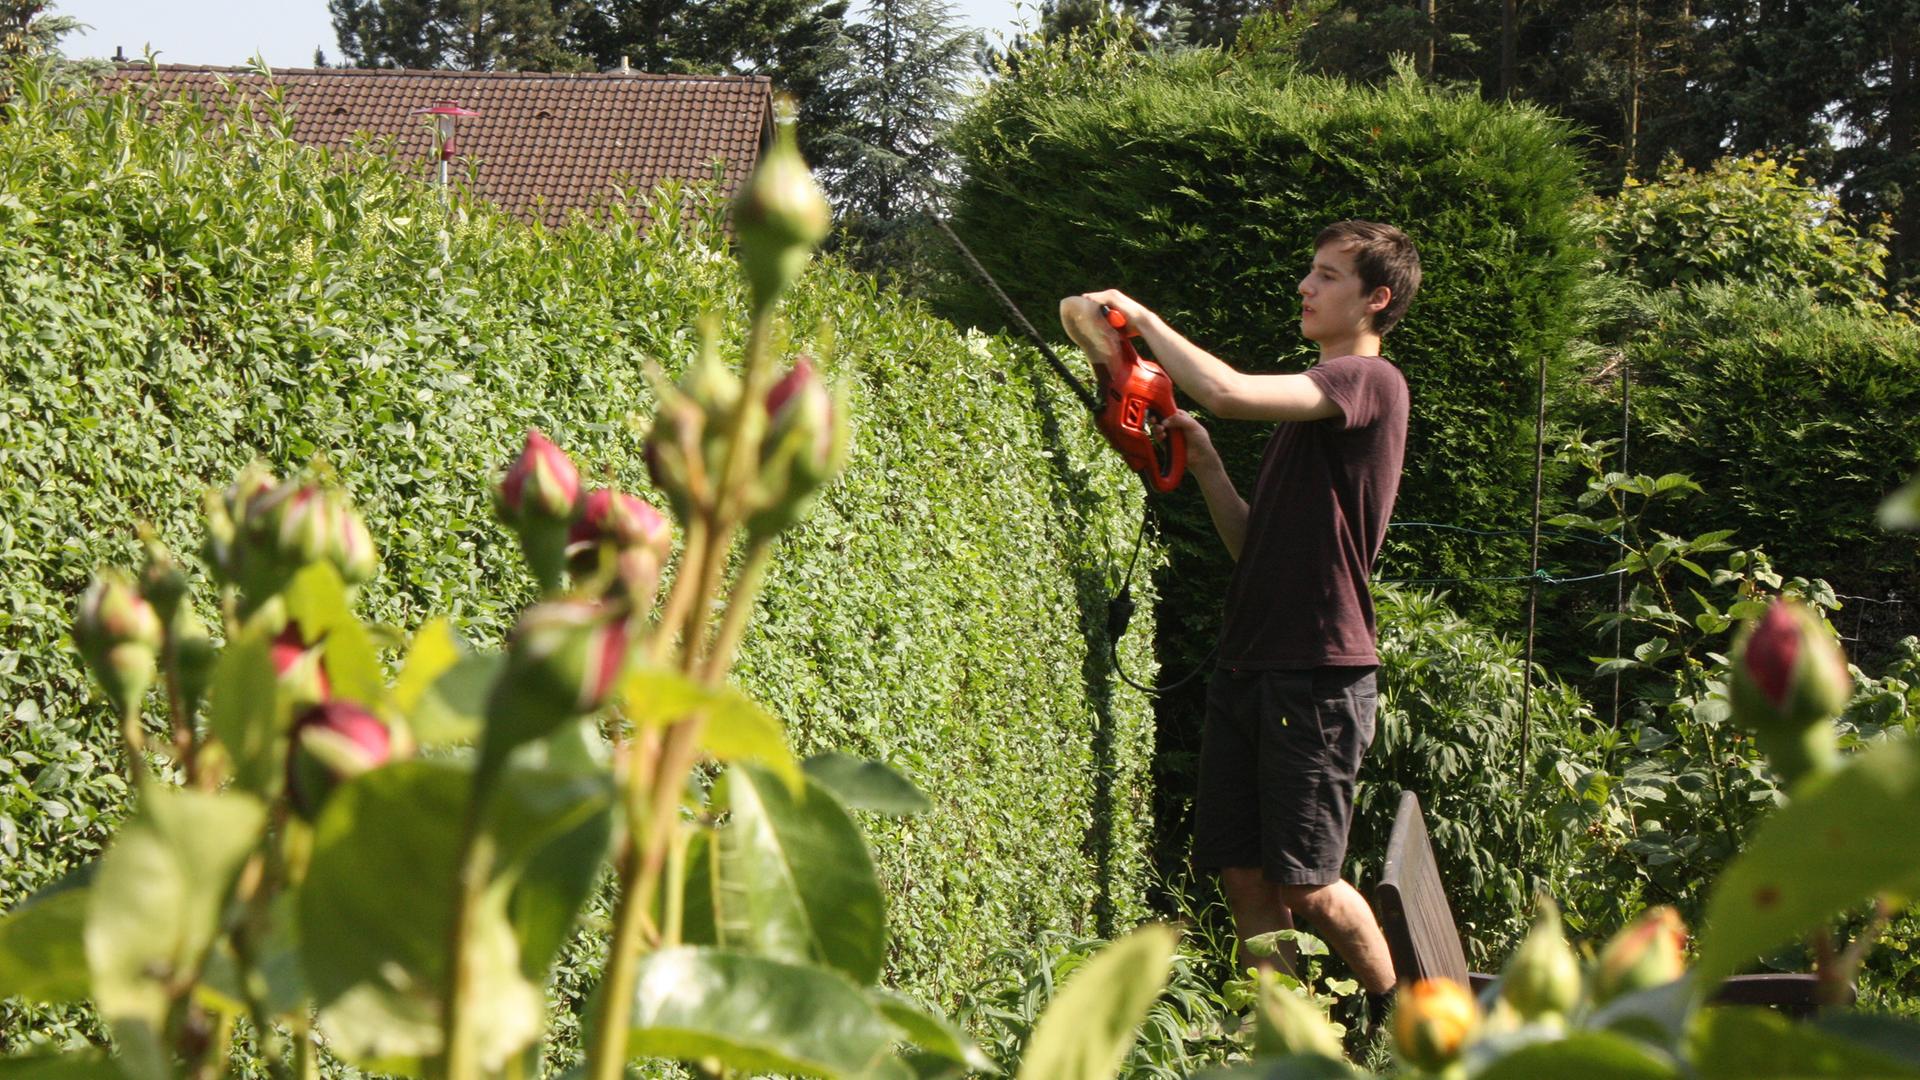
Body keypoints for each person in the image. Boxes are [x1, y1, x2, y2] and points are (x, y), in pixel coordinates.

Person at [1062, 219, 1420, 1025]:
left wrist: (1143, 321)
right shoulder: (1312, 414)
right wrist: (1212, 466)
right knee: (1246, 877)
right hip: (1252, 664)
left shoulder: (1369, 383)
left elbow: (1225, 391)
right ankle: (1287, 1040)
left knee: (1309, 884)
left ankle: (1405, 1028)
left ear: (1376, 299)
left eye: (1327, 275)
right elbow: (1251, 546)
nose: (1305, 286)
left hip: (1319, 670)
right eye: (1311, 270)